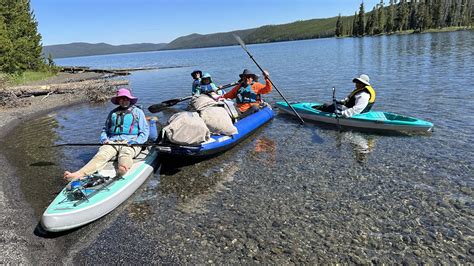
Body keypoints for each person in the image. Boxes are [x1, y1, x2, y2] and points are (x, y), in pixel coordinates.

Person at [64, 88, 150, 181]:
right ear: (118, 100)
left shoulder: (138, 112)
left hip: (130, 142)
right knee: (101, 154)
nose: (124, 101)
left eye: (126, 98)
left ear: (129, 100)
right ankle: (78, 174)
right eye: (122, 98)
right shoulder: (113, 113)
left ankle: (123, 169)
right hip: (112, 141)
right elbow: (105, 130)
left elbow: (144, 131)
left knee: (126, 153)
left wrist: (136, 141)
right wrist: (104, 139)